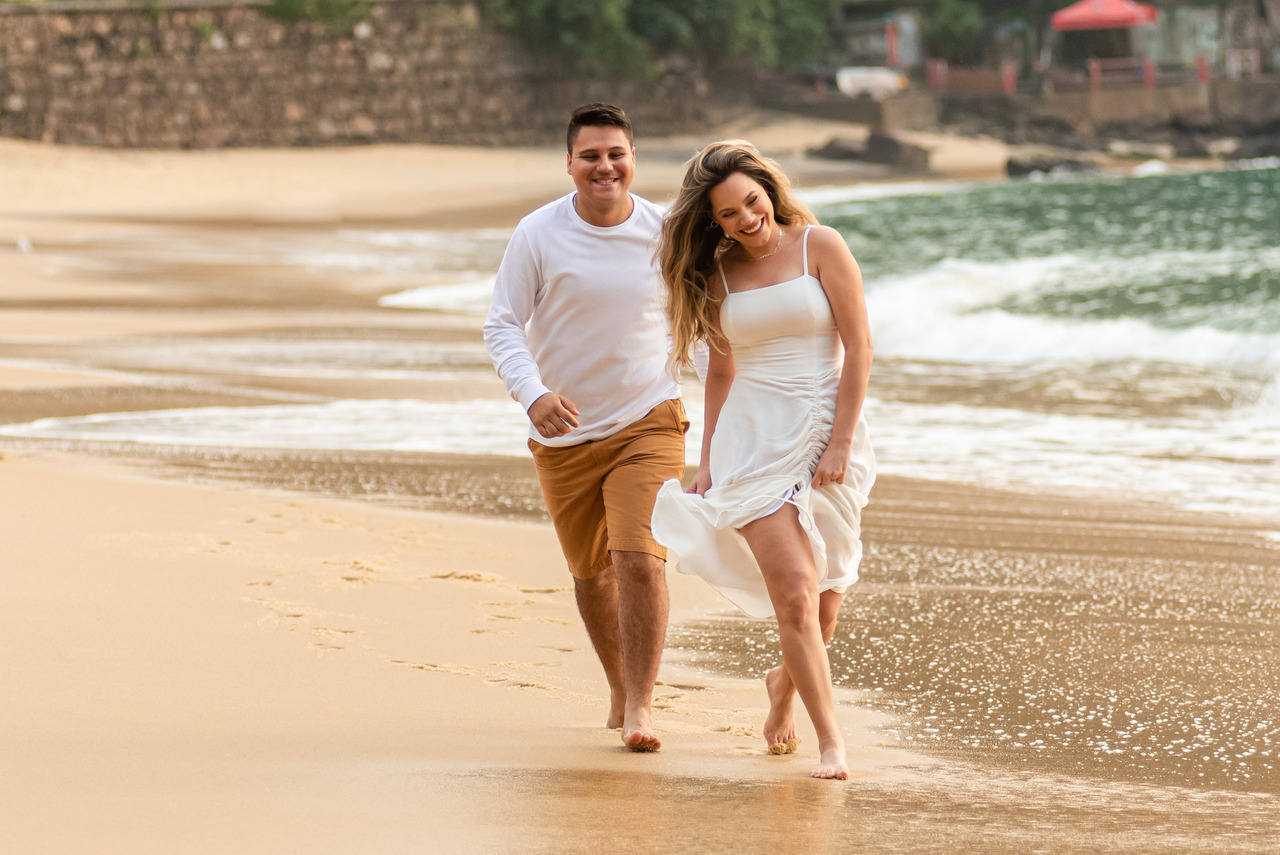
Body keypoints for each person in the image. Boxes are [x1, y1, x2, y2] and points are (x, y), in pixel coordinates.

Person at [651, 140, 875, 780]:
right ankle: (832, 741)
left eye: (753, 202)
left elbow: (858, 348)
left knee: (827, 599)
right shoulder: (718, 274)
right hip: (753, 437)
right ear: (714, 223)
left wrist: (838, 440)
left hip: (828, 431)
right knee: (797, 599)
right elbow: (720, 373)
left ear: (769, 194)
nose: (747, 219)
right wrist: (708, 462)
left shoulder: (820, 245)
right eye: (729, 214)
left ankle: (783, 684)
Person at [483, 103, 688, 752]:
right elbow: (503, 323)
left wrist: (726, 423)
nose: (605, 165)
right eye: (591, 155)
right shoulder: (538, 234)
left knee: (638, 555)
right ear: (569, 164)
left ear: (633, 159)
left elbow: (700, 326)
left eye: (616, 153)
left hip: (649, 419)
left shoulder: (665, 230)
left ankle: (642, 706)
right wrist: (532, 392)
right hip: (564, 434)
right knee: (591, 572)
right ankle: (619, 686)